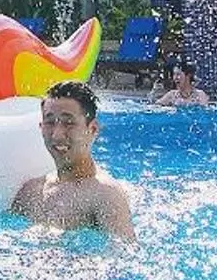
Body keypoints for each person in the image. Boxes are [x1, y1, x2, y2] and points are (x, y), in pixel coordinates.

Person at [12, 83, 135, 242]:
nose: (57, 135)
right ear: (41, 127)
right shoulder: (30, 193)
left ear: (92, 129)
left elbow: (123, 256)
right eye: (50, 123)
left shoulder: (105, 196)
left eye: (68, 123)